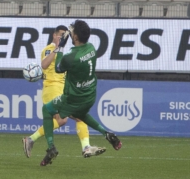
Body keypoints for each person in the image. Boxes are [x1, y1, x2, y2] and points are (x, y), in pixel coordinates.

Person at [39, 20, 122, 166]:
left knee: (46, 109)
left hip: (73, 97)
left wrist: (60, 47)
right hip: (89, 94)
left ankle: (51, 147)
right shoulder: (91, 48)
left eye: (72, 32)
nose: (70, 33)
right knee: (80, 115)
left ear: (75, 37)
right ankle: (107, 134)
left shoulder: (71, 56)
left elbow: (58, 68)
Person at [22, 25, 106, 159]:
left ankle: (31, 139)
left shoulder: (68, 54)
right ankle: (86, 147)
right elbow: (44, 65)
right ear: (54, 36)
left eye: (65, 36)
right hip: (52, 88)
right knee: (73, 117)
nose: (63, 38)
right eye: (60, 35)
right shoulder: (49, 49)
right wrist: (57, 48)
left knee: (68, 119)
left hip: (62, 88)